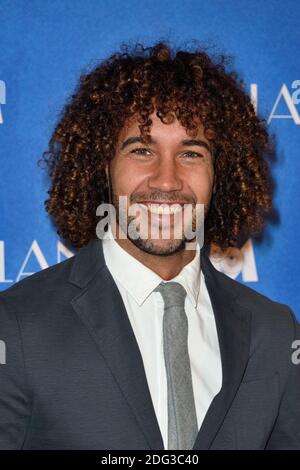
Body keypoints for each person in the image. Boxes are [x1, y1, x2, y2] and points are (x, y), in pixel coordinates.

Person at [0, 41, 299, 450]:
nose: (166, 180)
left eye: (191, 153)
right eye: (142, 150)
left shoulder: (275, 332)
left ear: (220, 174)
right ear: (102, 166)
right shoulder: (16, 327)